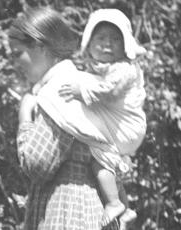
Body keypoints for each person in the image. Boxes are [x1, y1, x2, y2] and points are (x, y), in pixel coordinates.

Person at [34, 9, 147, 229]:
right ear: (89, 42)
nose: (108, 44)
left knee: (98, 154)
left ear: (125, 45)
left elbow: (110, 91)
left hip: (127, 125)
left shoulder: (124, 68)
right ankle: (124, 208)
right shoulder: (99, 68)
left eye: (115, 39)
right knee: (108, 159)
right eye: (101, 38)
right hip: (121, 125)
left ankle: (115, 202)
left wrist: (81, 91)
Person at [9, 7, 119, 230]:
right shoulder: (75, 83)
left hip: (67, 210)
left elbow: (37, 165)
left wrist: (24, 118)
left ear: (40, 47)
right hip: (87, 207)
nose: (15, 61)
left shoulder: (59, 91)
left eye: (17, 52)